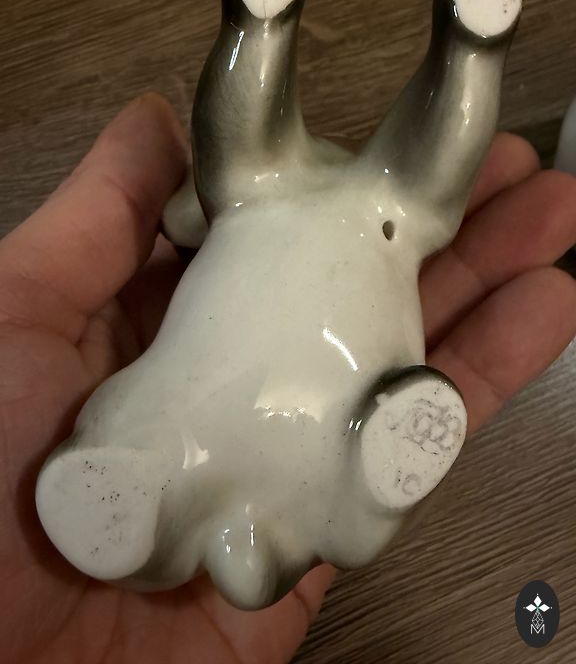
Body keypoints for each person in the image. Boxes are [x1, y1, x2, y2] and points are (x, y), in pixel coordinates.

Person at [1, 93, 575, 664]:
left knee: (209, 474)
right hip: (262, 453)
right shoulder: (297, 192)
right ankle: (346, 496)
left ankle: (332, 497)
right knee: (291, 518)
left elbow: (207, 177)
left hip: (213, 437)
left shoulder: (274, 189)